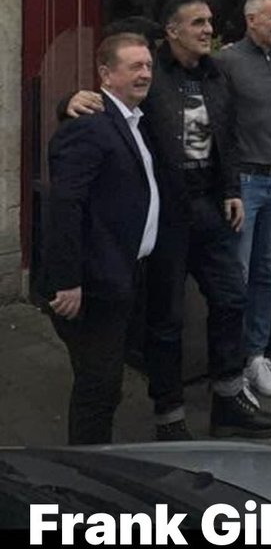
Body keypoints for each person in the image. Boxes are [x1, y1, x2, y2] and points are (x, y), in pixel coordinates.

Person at [62, 0, 271, 440]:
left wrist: (232, 190)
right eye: (197, 23)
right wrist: (69, 101)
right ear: (172, 31)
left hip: (211, 206)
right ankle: (169, 417)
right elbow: (108, 106)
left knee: (231, 299)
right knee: (166, 321)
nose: (208, 30)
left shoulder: (216, 74)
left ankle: (227, 398)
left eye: (209, 22)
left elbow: (228, 135)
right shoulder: (149, 76)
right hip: (165, 213)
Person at [42, 34, 160, 444]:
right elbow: (64, 206)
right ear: (106, 75)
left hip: (126, 271)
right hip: (94, 282)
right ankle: (84, 481)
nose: (145, 73)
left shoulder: (134, 118)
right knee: (98, 387)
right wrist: (67, 280)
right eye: (134, 67)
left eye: (148, 65)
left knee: (105, 378)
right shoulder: (91, 126)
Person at [215, 0, 271, 398]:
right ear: (250, 20)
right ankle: (232, 370)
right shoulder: (226, 61)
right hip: (245, 184)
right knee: (239, 278)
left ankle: (256, 355)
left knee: (269, 271)